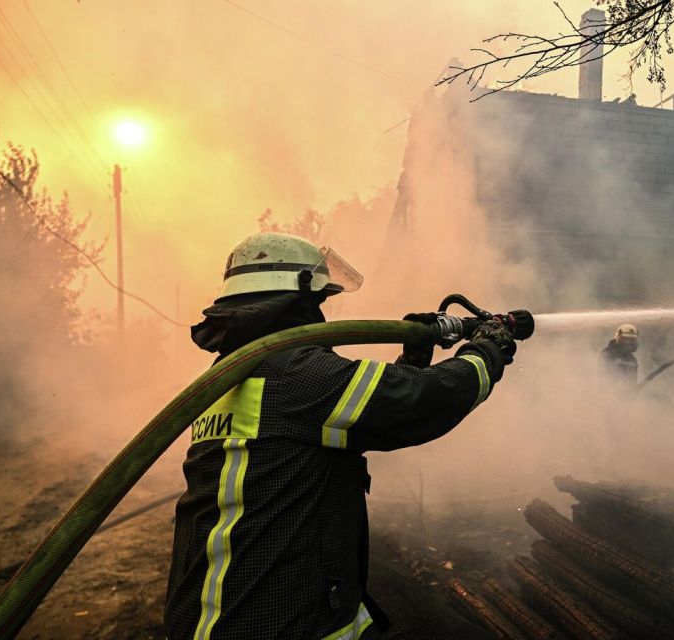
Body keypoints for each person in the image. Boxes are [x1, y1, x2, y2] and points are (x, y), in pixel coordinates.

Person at [165, 232, 518, 640]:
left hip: (222, 610)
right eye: (319, 299)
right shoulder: (293, 373)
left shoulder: (229, 376)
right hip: (273, 619)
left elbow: (353, 418)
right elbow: (419, 403)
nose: (322, 312)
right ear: (296, 298)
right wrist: (487, 352)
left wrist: (413, 359)